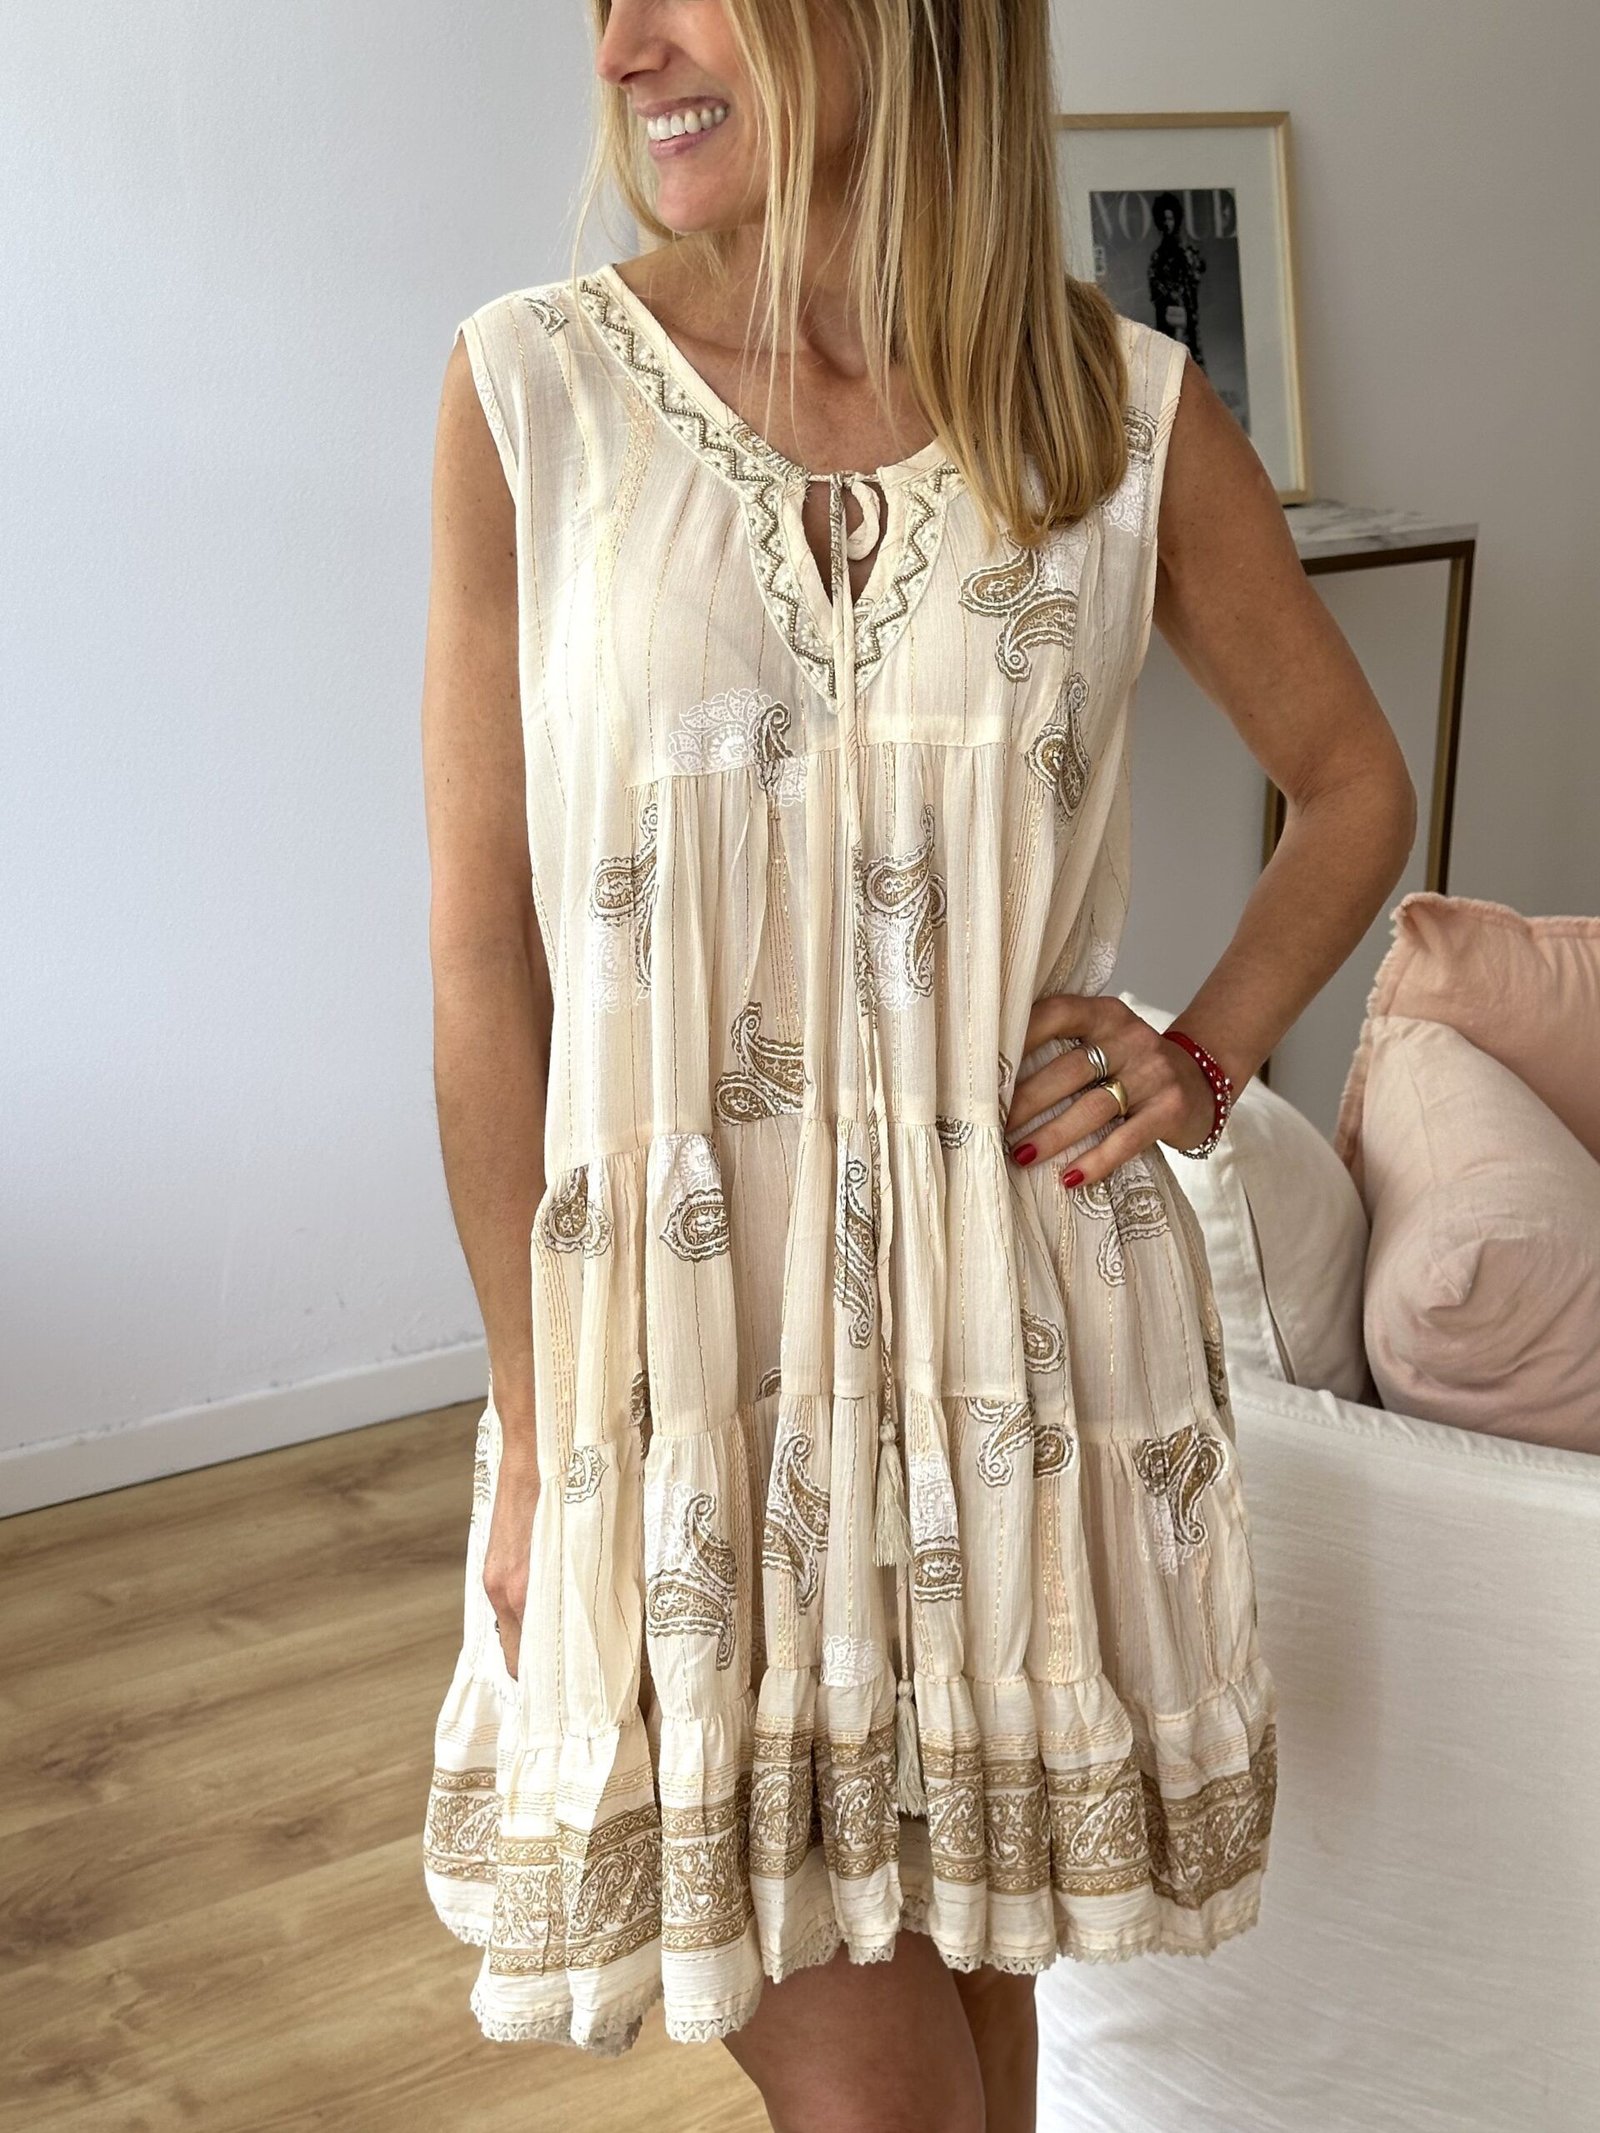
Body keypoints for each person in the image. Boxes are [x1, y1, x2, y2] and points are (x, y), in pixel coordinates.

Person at [418, 1, 1416, 2126]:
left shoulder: (1112, 413)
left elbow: (1350, 782)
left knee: (984, 2041)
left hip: (1010, 1370)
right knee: (889, 2097)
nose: (621, 47)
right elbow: (486, 962)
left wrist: (1201, 1050)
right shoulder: (533, 393)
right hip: (689, 1395)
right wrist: (531, 1426)